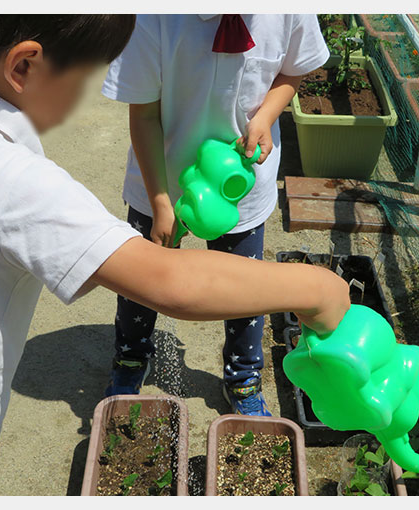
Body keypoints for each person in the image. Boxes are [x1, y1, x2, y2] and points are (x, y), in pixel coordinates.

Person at [0, 15, 349, 495]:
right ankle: (134, 357)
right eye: (82, 80)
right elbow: (170, 283)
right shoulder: (16, 182)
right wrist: (316, 288)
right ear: (24, 67)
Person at [101, 14, 331, 415]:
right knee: (141, 280)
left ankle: (243, 377)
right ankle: (131, 357)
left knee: (245, 289)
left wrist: (264, 117)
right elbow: (144, 114)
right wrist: (159, 203)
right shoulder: (156, 18)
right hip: (161, 178)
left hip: (238, 186)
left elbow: (291, 73)